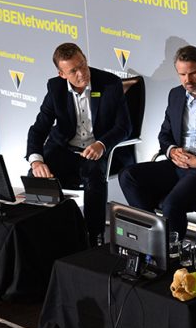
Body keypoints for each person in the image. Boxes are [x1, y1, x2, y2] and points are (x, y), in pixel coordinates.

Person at [118, 45, 196, 237]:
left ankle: (173, 255)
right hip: (177, 164)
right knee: (128, 175)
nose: (187, 80)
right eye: (182, 74)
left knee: (171, 205)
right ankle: (153, 236)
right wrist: (171, 150)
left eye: (193, 73)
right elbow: (164, 134)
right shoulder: (175, 95)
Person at [26, 42, 131, 244]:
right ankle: (43, 234)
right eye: (73, 70)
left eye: (82, 64)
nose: (82, 73)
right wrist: (36, 161)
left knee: (95, 177)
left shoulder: (110, 83)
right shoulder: (55, 88)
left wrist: (102, 144)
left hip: (95, 151)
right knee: (36, 176)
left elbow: (124, 127)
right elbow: (38, 129)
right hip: (64, 150)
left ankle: (95, 237)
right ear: (62, 74)